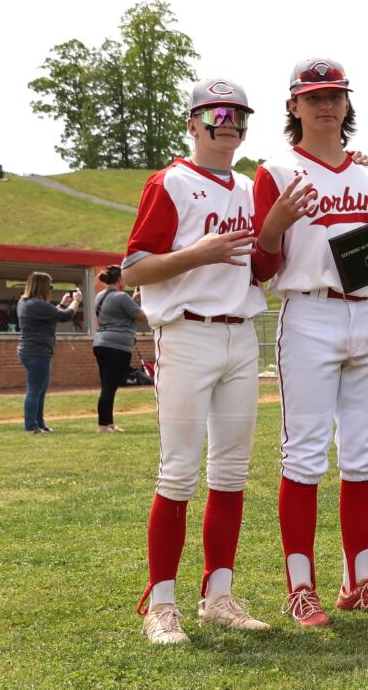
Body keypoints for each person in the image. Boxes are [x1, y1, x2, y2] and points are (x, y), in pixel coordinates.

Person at [123, 77, 297, 641]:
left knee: (230, 473)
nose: (229, 124)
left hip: (239, 333)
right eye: (217, 114)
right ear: (193, 122)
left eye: (239, 116)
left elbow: (265, 266)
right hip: (186, 332)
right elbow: (132, 270)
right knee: (177, 471)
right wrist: (193, 254)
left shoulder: (251, 187)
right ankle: (161, 602)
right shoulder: (171, 181)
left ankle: (218, 593)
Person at [252, 57, 368, 626]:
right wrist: (273, 224)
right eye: (314, 96)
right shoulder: (274, 170)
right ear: (294, 106)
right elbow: (260, 264)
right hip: (310, 314)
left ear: (348, 105)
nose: (326, 105)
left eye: (336, 96)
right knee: (304, 455)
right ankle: (301, 588)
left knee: (363, 457)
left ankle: (359, 581)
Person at [16, 271, 81, 434]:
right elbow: (65, 316)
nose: (50, 289)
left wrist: (62, 304)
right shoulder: (37, 304)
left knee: (40, 389)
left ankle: (39, 424)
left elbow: (53, 315)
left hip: (31, 350)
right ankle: (31, 426)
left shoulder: (26, 302)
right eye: (50, 286)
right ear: (42, 286)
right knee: (35, 389)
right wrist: (76, 301)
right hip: (37, 352)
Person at [91, 265, 146, 433]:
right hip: (118, 345)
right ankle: (104, 425)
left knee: (106, 386)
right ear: (120, 279)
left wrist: (133, 300)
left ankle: (108, 423)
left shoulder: (100, 296)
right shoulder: (122, 297)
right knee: (110, 387)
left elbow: (115, 312)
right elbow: (141, 317)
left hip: (100, 343)